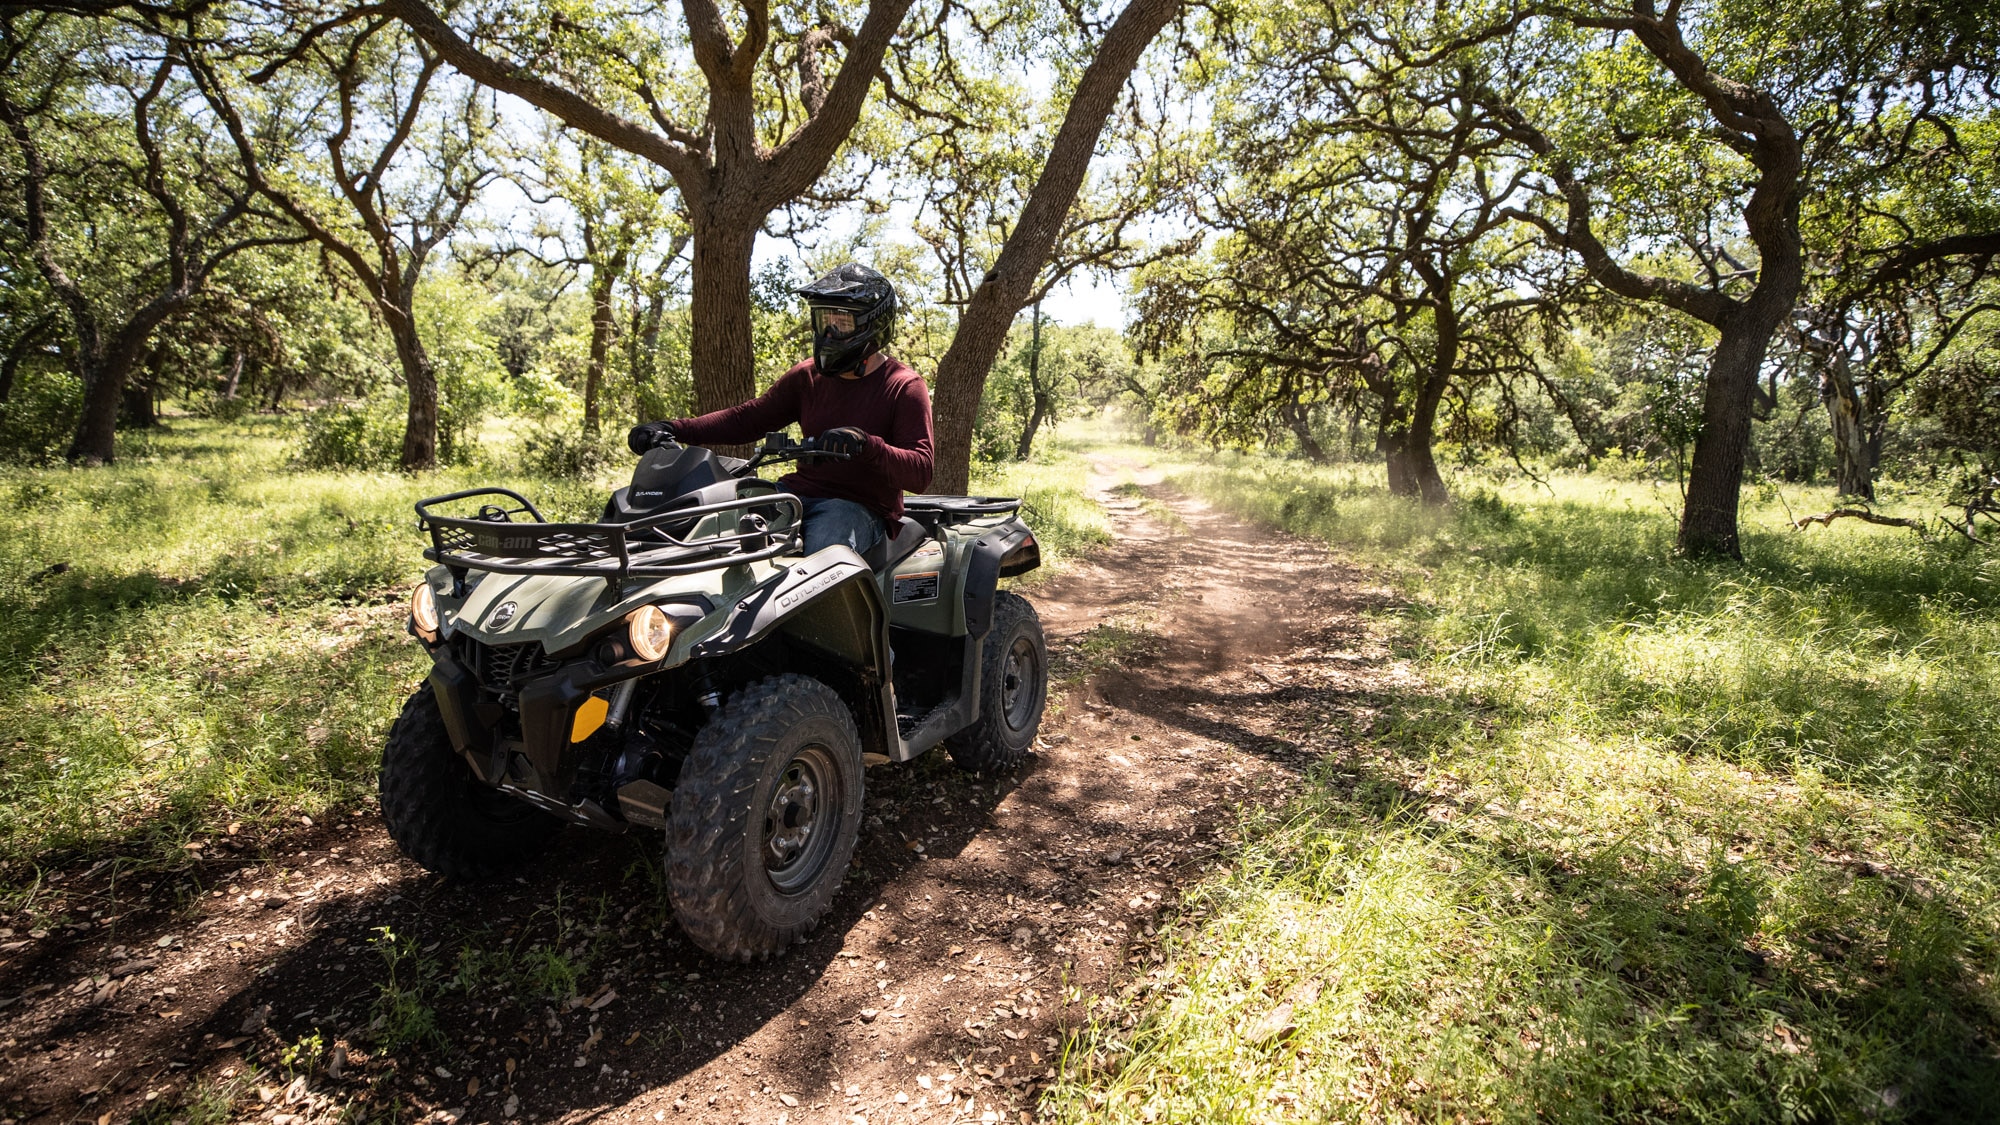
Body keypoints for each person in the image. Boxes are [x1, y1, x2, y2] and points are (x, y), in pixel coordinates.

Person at [628, 263, 933, 556]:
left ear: (873, 325)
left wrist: (867, 445)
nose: (829, 333)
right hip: (794, 493)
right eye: (823, 320)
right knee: (710, 528)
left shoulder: (903, 386)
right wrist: (672, 428)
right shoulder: (807, 377)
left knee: (821, 565)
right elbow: (747, 419)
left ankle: (821, 611)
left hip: (858, 507)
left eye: (842, 323)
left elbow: (920, 472)